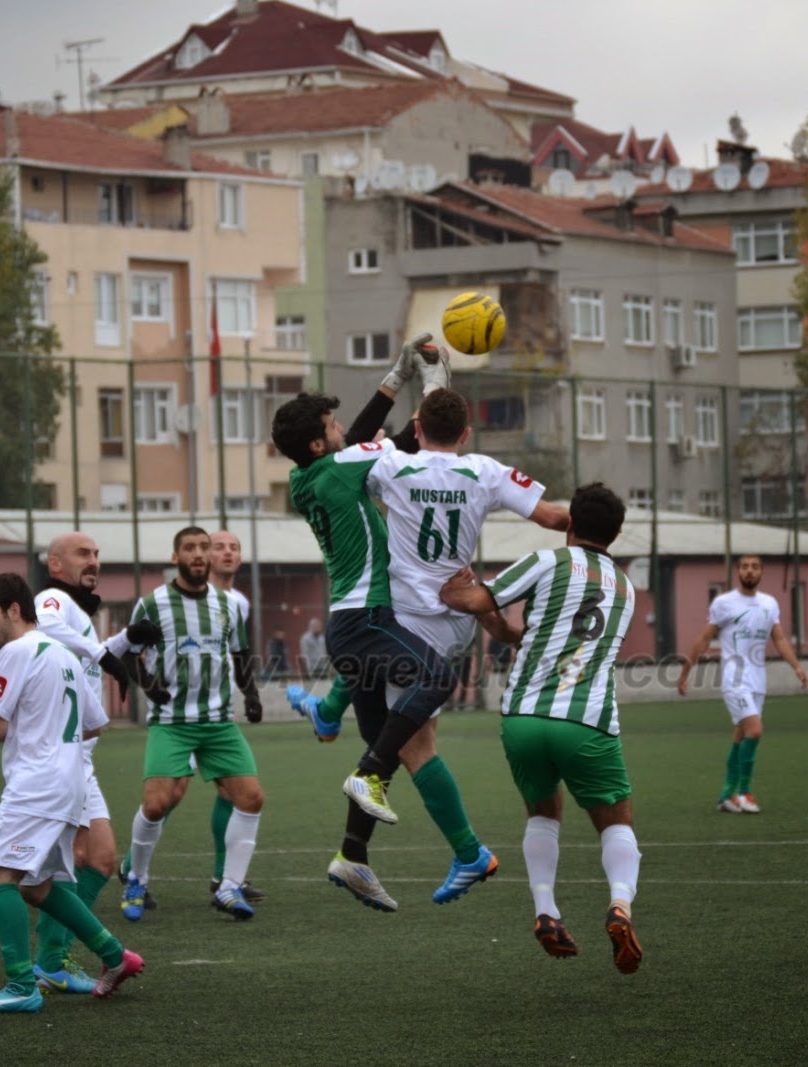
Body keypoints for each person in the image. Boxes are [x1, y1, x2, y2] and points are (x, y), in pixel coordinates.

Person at [354, 386, 568, 903]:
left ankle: (468, 851)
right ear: (466, 434)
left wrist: (391, 428)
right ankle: (330, 722)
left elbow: (354, 448)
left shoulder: (391, 465)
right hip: (456, 619)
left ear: (419, 427)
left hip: (407, 623)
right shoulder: (486, 471)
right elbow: (555, 518)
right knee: (400, 731)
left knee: (413, 746)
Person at [270, 333, 455, 912]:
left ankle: (353, 854)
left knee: (385, 741)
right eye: (330, 424)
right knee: (438, 679)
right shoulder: (337, 469)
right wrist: (429, 379)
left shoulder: (308, 476)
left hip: (349, 624)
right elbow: (415, 439)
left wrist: (395, 375)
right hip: (364, 620)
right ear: (315, 442)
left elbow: (363, 440)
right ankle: (368, 769)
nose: (341, 428)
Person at [440, 484, 645, 974]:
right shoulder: (626, 588)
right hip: (586, 720)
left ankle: (546, 910)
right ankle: (620, 905)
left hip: (525, 718)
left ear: (569, 523)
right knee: (616, 823)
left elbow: (480, 603)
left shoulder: (546, 562)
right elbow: (574, 646)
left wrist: (449, 589)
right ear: (615, 535)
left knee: (542, 811)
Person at [0, 572, 143, 1013]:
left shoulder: (16, 651)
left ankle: (21, 984)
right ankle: (115, 957)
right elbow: (96, 723)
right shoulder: (64, 653)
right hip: (70, 780)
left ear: (13, 610)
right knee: (36, 885)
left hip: (36, 783)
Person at [29, 531, 160, 993]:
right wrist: (106, 652)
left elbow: (83, 657)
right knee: (84, 861)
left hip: (81, 756)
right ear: (56, 566)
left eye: (97, 555)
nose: (94, 562)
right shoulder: (51, 600)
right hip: (62, 757)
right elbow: (45, 628)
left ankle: (50, 959)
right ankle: (50, 960)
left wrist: (125, 640)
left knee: (99, 860)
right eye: (83, 554)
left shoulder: (79, 615)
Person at [119, 526, 267, 922]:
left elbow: (239, 653)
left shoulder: (228, 605)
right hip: (171, 721)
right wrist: (151, 688)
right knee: (156, 804)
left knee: (251, 797)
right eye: (190, 548)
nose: (199, 554)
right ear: (176, 557)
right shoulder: (152, 604)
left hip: (218, 721)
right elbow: (131, 654)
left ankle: (229, 887)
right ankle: (136, 877)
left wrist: (250, 695)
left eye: (204, 547)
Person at [677, 554, 808, 813]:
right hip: (735, 680)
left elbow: (779, 640)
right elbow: (703, 639)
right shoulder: (724, 603)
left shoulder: (769, 604)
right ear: (737, 571)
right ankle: (745, 792)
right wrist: (685, 673)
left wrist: (797, 666)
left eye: (755, 567)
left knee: (741, 735)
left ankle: (726, 796)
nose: (750, 571)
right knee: (755, 731)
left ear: (761, 572)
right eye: (745, 567)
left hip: (758, 681)